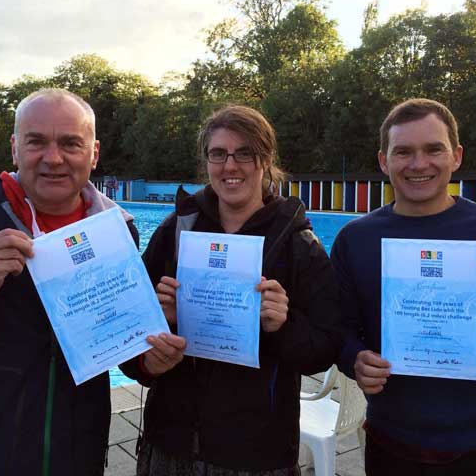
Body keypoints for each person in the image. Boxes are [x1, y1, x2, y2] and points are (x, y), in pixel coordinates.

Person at [0, 88, 155, 475]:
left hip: (76, 458)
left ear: (93, 153)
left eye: (71, 143)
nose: (53, 158)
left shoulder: (117, 232)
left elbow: (112, 345)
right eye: (36, 141)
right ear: (14, 148)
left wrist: (148, 360)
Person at [330, 98, 476, 475]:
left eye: (433, 149)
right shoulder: (356, 238)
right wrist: (353, 358)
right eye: (404, 152)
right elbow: (336, 327)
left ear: (456, 156)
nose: (419, 164)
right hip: (390, 444)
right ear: (384, 161)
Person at [121, 104, 342, 475]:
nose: (230, 165)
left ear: (266, 158)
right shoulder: (177, 230)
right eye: (218, 154)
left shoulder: (297, 243)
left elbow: (324, 349)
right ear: (206, 161)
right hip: (169, 444)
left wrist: (282, 326)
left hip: (256, 453)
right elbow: (129, 334)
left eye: (244, 153)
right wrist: (161, 325)